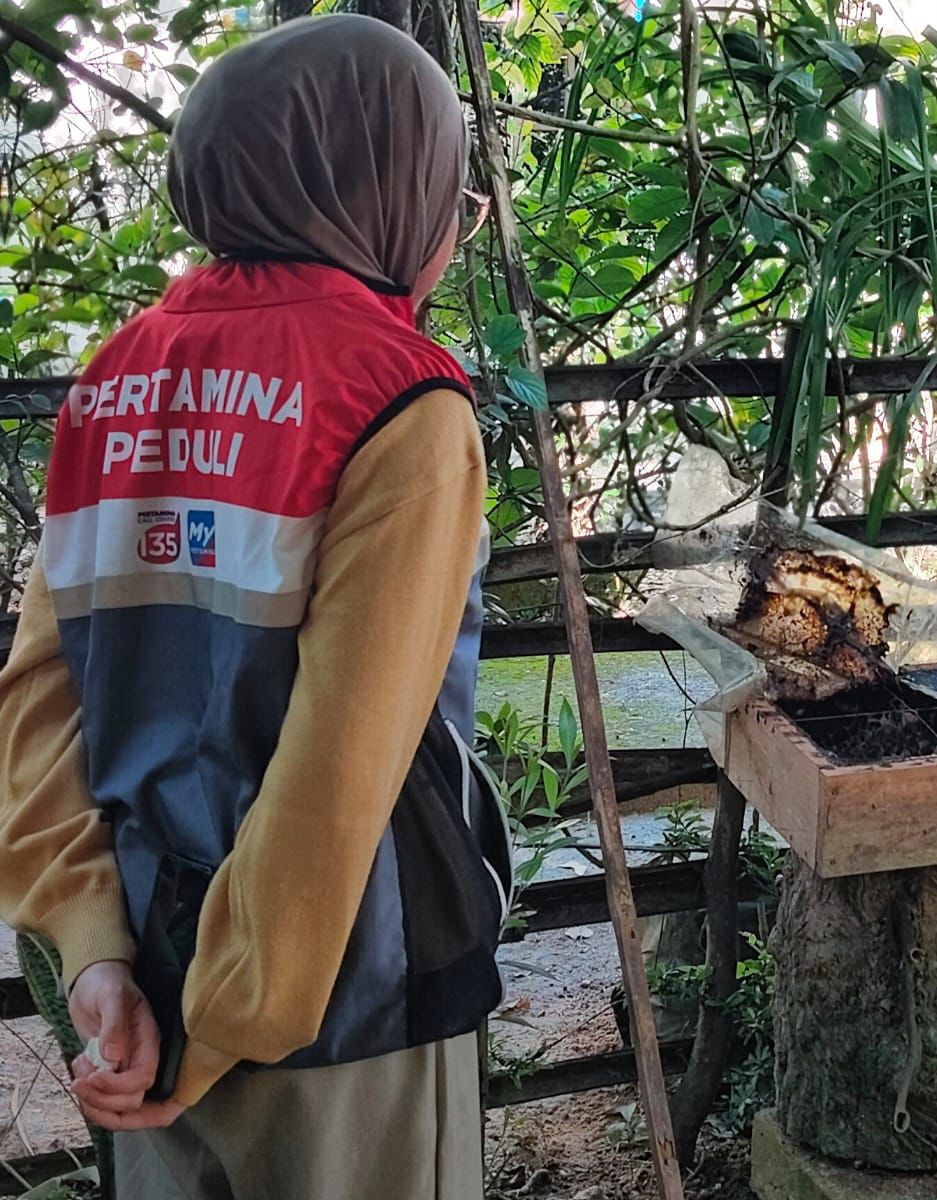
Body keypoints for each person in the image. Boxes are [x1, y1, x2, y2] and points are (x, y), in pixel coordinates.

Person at [0, 15, 510, 1198]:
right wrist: (230, 1017)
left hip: (136, 982)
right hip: (335, 998)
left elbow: (37, 699)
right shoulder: (399, 403)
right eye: (451, 195)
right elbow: (340, 771)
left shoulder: (113, 381)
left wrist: (95, 957)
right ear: (378, 190)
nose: (452, 229)